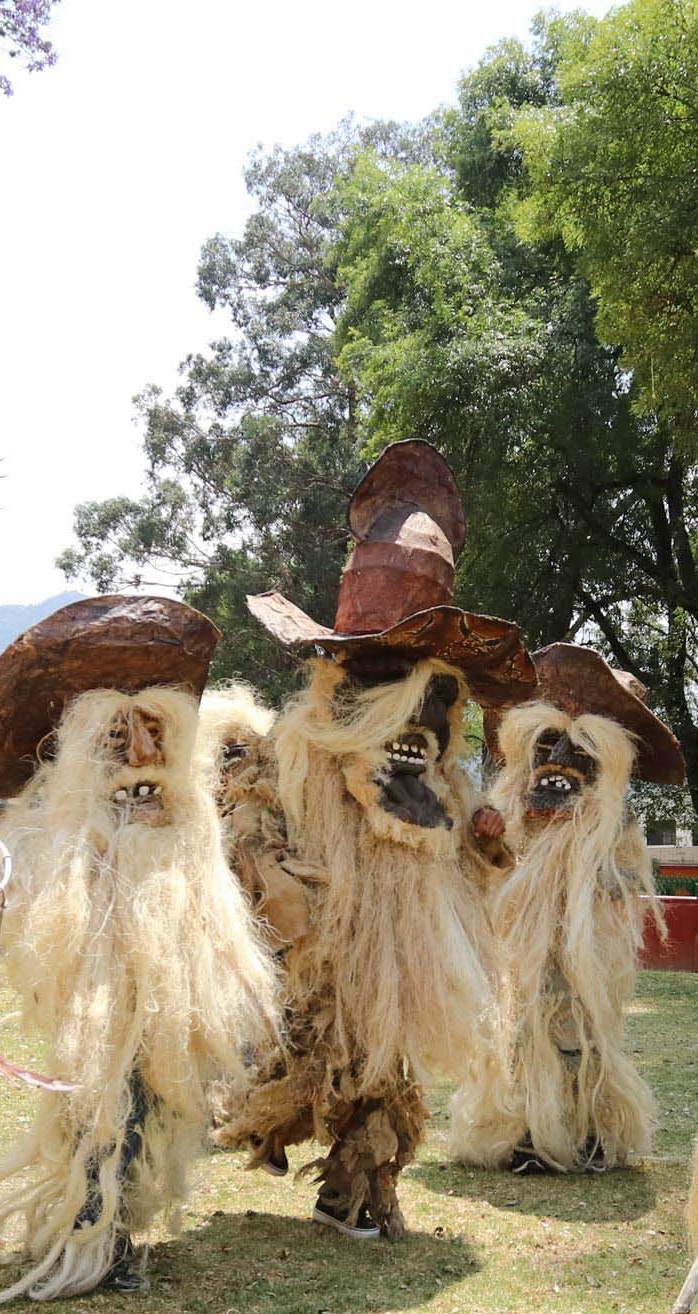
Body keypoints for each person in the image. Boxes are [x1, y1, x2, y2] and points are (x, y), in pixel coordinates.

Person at [217, 440, 532, 1240]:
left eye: (412, 689)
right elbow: (249, 819)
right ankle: (294, 1140)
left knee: (389, 1063)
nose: (401, 714)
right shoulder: (294, 753)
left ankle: (360, 1187)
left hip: (409, 935)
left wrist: (488, 840)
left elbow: (461, 834)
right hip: (323, 932)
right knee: (318, 1045)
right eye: (367, 677)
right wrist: (284, 888)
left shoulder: (438, 748)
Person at [0, 596, 281, 1300]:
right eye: (116, 737)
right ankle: (89, 1232)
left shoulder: (188, 838)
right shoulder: (70, 839)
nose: (140, 755)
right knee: (100, 1108)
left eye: (156, 734)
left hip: (165, 1004)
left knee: (153, 1109)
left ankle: (119, 1228)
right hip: (100, 1005)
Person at [449, 644, 681, 1173]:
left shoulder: (613, 824)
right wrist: (488, 842)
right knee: (524, 1033)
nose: (558, 764)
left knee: (582, 1037)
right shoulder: (512, 813)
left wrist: (586, 874)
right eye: (548, 748)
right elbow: (499, 871)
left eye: (580, 754)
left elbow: (622, 880)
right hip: (522, 954)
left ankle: (589, 1130)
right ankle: (531, 1132)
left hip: (587, 953)